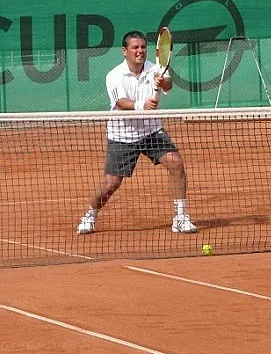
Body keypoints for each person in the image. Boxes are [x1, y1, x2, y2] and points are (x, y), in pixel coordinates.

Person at [76, 30, 198, 235]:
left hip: (151, 131)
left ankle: (180, 217)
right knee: (111, 184)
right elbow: (121, 103)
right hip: (122, 135)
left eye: (143, 47)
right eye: (135, 47)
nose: (140, 51)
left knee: (176, 163)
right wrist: (142, 105)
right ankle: (90, 215)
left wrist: (162, 81)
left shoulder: (156, 68)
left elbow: (168, 86)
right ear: (125, 51)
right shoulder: (114, 75)